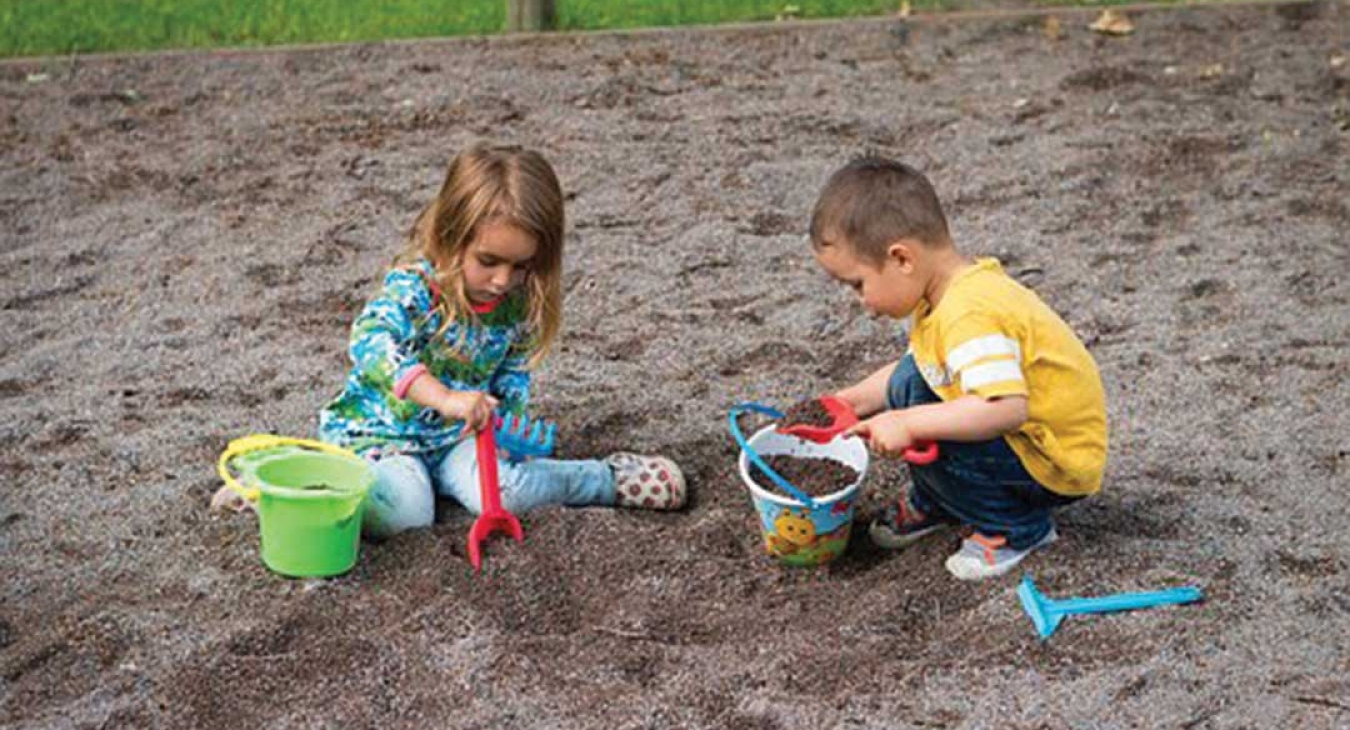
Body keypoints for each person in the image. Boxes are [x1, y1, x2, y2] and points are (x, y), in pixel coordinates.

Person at [215, 145, 685, 536]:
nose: (504, 280)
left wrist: (502, 425)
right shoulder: (417, 288)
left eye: (521, 266)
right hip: (386, 435)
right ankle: (285, 482)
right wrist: (441, 397)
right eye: (488, 261)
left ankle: (606, 479)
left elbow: (512, 375)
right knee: (405, 515)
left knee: (505, 494)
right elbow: (370, 341)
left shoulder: (518, 303)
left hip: (458, 438)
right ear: (448, 238)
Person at [809, 156, 1107, 580]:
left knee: (930, 420)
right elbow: (922, 367)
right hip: (1026, 439)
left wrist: (909, 422)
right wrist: (851, 401)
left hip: (1051, 459)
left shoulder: (970, 313)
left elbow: (1003, 408)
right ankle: (942, 501)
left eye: (858, 284)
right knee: (913, 382)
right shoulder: (944, 294)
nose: (860, 300)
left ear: (901, 259)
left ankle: (1017, 529)